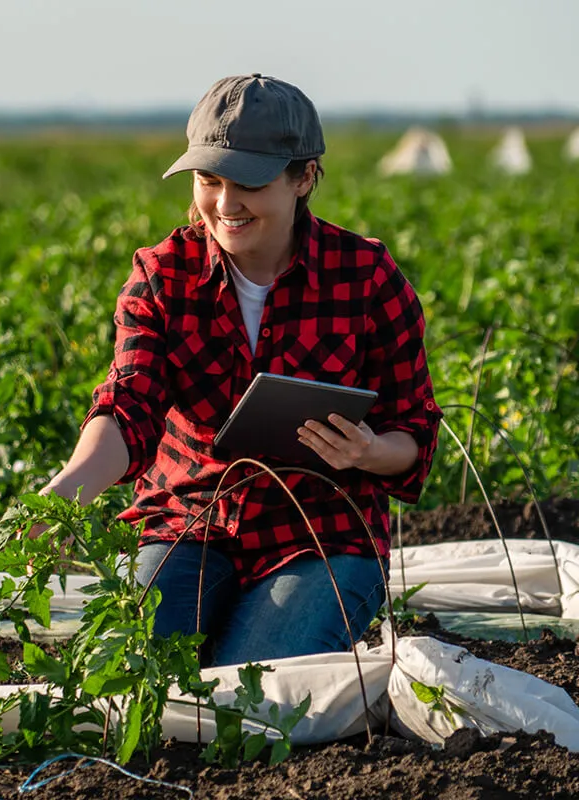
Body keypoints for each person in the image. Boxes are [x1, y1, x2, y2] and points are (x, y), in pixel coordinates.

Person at [38, 74, 442, 666]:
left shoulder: (366, 277)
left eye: (249, 183)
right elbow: (130, 406)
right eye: (210, 180)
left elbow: (414, 432)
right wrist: (59, 501)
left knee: (256, 691)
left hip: (323, 532)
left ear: (303, 177)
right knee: (137, 671)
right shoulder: (162, 276)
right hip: (190, 521)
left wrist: (366, 451)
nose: (226, 205)